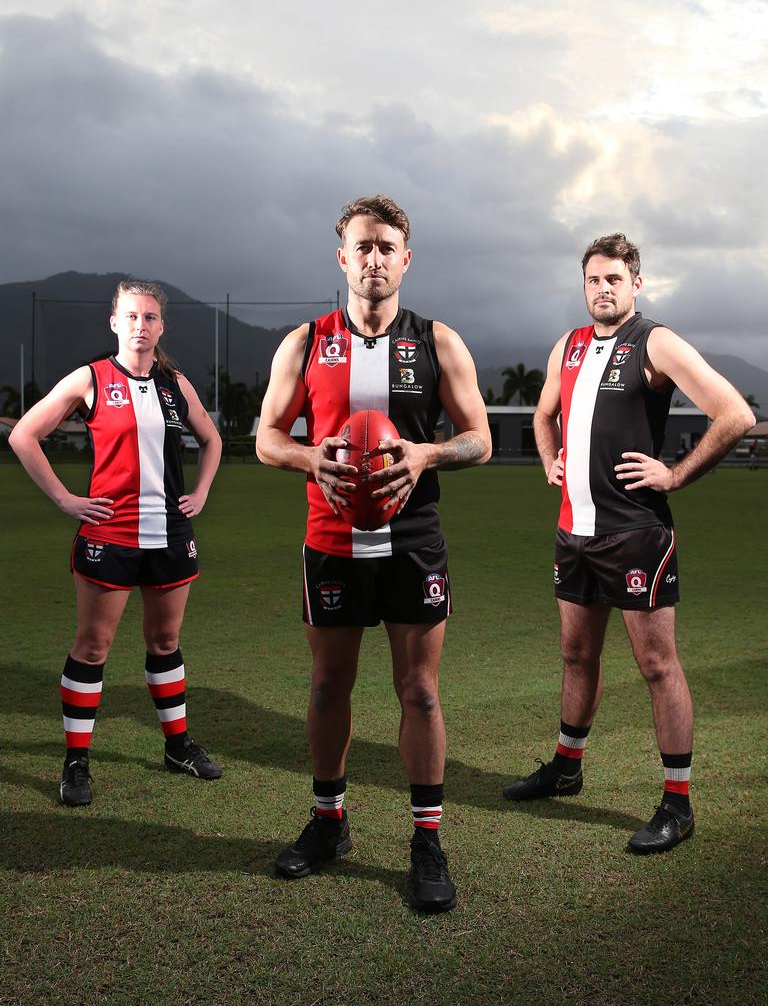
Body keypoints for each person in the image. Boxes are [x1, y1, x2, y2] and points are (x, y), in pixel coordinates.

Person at [256, 195, 491, 911]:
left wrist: (427, 453)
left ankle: (427, 841)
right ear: (342, 258)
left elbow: (481, 438)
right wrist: (306, 459)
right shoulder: (304, 341)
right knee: (329, 686)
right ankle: (329, 823)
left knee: (419, 690)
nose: (375, 258)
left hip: (412, 541)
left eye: (388, 246)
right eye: (363, 246)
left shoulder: (438, 341)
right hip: (331, 540)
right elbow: (266, 437)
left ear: (406, 258)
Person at [502, 233, 755, 853]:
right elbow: (542, 416)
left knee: (656, 665)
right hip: (573, 532)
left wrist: (674, 473)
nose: (602, 289)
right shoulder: (568, 344)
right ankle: (566, 766)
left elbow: (735, 414)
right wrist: (548, 461)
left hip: (636, 534)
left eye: (614, 279)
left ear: (635, 282)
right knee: (575, 656)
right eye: (593, 280)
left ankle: (677, 802)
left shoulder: (655, 342)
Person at [10, 280, 223, 806]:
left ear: (161, 326)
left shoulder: (176, 383)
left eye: (150, 317)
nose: (140, 326)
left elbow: (212, 439)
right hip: (110, 533)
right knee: (93, 646)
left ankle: (177, 747)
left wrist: (200, 492)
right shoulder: (92, 378)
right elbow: (23, 435)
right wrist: (65, 500)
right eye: (131, 316)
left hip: (170, 535)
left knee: (165, 643)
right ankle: (76, 762)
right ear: (114, 322)